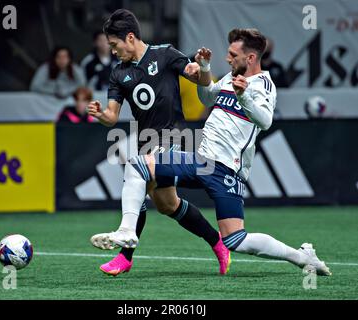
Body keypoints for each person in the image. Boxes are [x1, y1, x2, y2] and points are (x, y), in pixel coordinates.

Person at [91, 28, 332, 277]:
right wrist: (205, 69)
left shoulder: (263, 84)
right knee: (139, 165)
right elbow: (207, 98)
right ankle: (127, 232)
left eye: (233, 54)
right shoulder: (230, 77)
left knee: (236, 240)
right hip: (204, 161)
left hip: (228, 168)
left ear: (250, 58)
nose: (228, 59)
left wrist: (245, 96)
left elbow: (266, 120)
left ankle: (301, 256)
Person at [87, 9, 230, 276]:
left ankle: (126, 250)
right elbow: (112, 116)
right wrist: (100, 115)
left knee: (138, 171)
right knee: (167, 205)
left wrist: (202, 67)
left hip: (174, 137)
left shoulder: (165, 54)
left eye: (115, 45)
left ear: (130, 37)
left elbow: (201, 80)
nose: (113, 52)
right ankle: (218, 243)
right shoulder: (118, 74)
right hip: (147, 142)